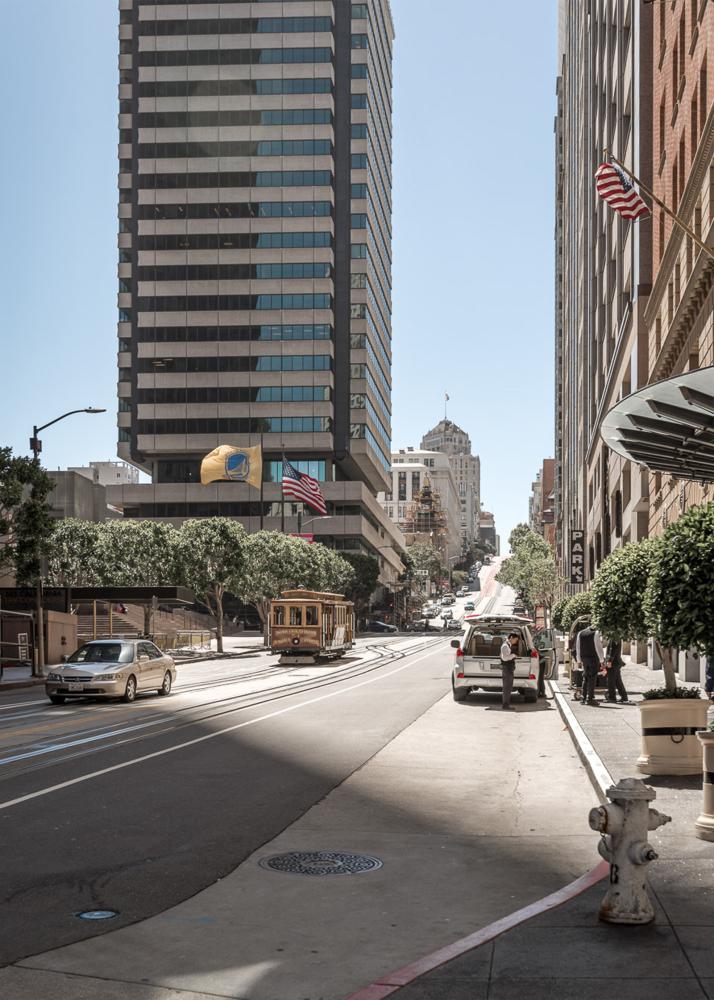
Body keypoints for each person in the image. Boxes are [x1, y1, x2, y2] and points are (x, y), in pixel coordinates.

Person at [576, 623, 606, 706]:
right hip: (593, 658)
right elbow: (598, 647)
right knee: (592, 678)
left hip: (584, 658)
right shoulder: (595, 633)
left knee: (585, 677)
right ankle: (590, 698)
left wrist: (579, 660)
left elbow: (578, 647)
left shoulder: (580, 633)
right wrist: (602, 660)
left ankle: (583, 697)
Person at [499, 632, 520, 711]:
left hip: (508, 668)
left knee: (508, 687)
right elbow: (505, 658)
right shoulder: (505, 646)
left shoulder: (508, 645)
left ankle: (506, 704)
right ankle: (505, 705)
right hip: (507, 668)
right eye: (515, 640)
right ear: (511, 637)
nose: (516, 642)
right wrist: (514, 655)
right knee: (507, 687)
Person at [605, 637, 629, 704]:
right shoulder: (616, 636)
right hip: (615, 662)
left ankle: (612, 698)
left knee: (611, 681)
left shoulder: (615, 637)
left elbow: (613, 649)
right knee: (618, 681)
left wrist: (609, 661)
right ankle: (624, 697)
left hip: (613, 663)